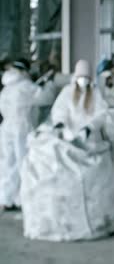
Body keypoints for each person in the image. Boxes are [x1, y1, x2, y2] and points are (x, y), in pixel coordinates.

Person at [0, 59, 56, 210]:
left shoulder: (6, 88)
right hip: (21, 127)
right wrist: (50, 84)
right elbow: (46, 98)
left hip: (5, 128)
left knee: (7, 163)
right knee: (23, 162)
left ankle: (6, 198)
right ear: (23, 71)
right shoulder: (26, 87)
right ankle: (22, 199)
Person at [51, 60, 108, 138]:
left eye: (86, 76)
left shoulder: (95, 93)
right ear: (76, 76)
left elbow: (101, 113)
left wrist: (90, 127)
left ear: (90, 78)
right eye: (81, 76)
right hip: (70, 136)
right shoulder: (68, 91)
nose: (83, 79)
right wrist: (60, 122)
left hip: (91, 138)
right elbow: (60, 108)